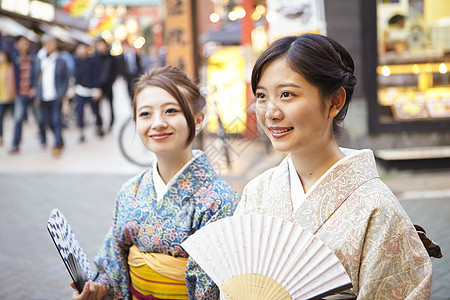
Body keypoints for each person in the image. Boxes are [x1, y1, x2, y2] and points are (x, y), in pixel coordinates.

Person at [235, 34, 432, 298]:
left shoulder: (377, 209)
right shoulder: (257, 192)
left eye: (287, 94)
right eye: (261, 95)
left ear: (334, 102)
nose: (270, 112)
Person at [70, 66, 240, 300]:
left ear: (198, 118)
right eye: (146, 114)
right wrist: (99, 289)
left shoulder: (220, 201)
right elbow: (111, 265)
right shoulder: (130, 191)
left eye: (171, 111)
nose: (157, 123)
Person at [35, 35, 69, 157]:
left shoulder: (60, 60)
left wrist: (61, 93)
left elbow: (66, 78)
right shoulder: (39, 59)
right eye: (49, 43)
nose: (52, 46)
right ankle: (59, 139)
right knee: (47, 121)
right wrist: (37, 96)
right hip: (43, 97)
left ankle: (57, 144)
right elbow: (36, 78)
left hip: (56, 96)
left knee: (56, 120)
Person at [9, 36, 43, 154]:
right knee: (18, 120)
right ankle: (15, 145)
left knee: (39, 118)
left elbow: (38, 75)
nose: (25, 46)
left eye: (27, 43)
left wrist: (35, 88)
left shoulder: (33, 58)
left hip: (32, 93)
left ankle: (43, 140)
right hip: (20, 94)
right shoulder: (14, 58)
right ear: (17, 45)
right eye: (22, 43)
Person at [74, 43, 103, 142]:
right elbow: (75, 76)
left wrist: (98, 88)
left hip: (92, 90)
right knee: (80, 111)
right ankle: (81, 131)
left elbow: (96, 75)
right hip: (80, 90)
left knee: (95, 110)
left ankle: (99, 127)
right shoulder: (76, 61)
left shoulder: (93, 61)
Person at [95, 38, 116, 133]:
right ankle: (100, 125)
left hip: (108, 85)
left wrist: (112, 80)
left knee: (110, 104)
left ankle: (111, 122)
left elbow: (115, 70)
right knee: (97, 107)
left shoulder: (110, 57)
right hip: (98, 86)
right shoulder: (95, 58)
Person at [0, 50, 16, 146]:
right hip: (1, 98)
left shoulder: (10, 68)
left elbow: (13, 83)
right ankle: (1, 136)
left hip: (11, 98)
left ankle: (17, 137)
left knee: (16, 118)